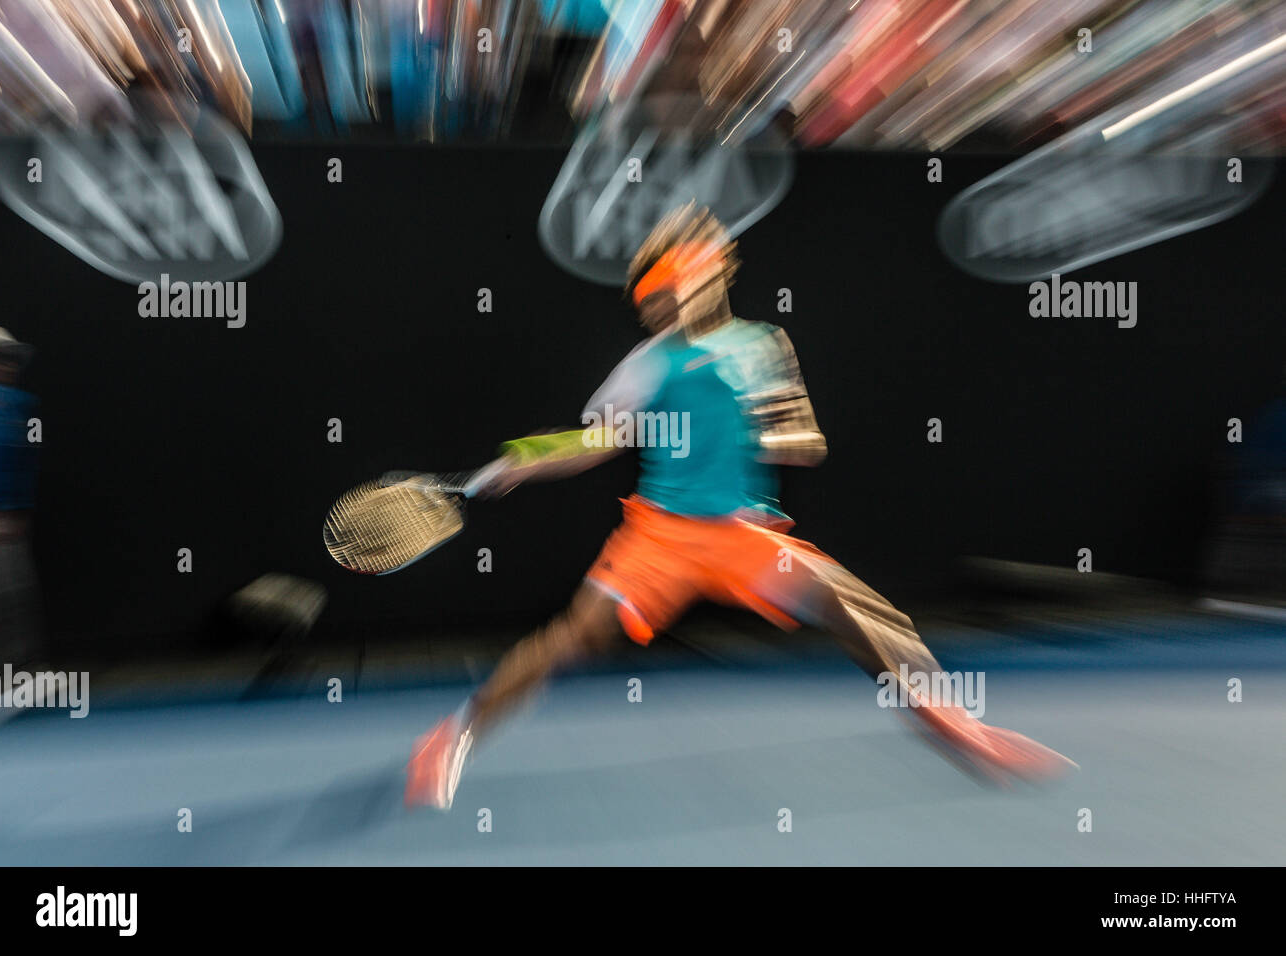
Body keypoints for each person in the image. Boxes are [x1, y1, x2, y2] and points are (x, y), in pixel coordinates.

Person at [405, 204, 1073, 809]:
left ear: (712, 275)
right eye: (655, 300)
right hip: (659, 539)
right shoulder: (649, 363)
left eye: (676, 286)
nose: (665, 308)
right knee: (572, 639)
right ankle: (455, 734)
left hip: (743, 538)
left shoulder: (764, 346)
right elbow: (594, 439)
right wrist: (519, 459)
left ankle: (950, 719)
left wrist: (766, 430)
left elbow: (807, 441)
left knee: (859, 608)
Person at [0, 324, 42, 682]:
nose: (7, 365)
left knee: (13, 599)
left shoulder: (21, 407)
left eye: (11, 358)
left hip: (6, 532)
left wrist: (16, 515)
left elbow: (23, 467)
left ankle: (16, 677)